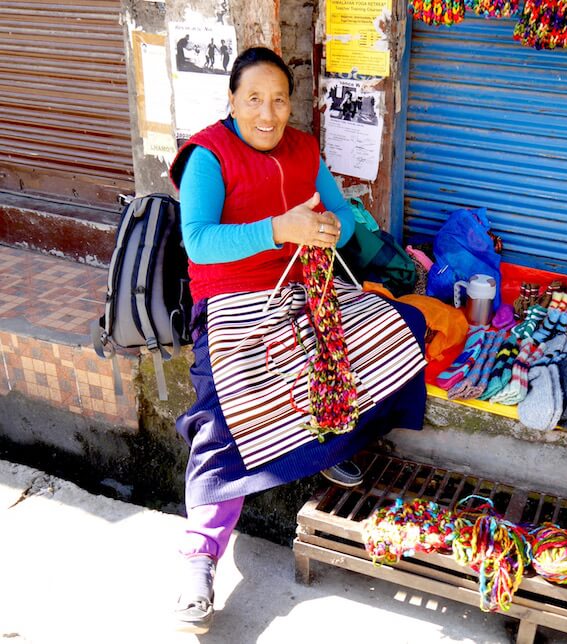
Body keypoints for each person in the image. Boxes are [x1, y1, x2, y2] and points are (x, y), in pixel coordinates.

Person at [168, 46, 427, 633]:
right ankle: (199, 555)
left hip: (301, 293)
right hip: (231, 302)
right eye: (253, 99)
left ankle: (328, 449)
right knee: (225, 412)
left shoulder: (304, 148)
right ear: (232, 101)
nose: (268, 112)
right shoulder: (209, 156)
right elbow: (200, 244)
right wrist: (278, 228)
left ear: (292, 103)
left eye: (279, 99)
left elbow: (337, 213)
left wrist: (335, 229)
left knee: (395, 330)